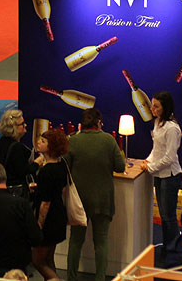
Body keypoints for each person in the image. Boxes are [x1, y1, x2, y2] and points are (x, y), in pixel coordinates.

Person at [65, 108, 126, 281]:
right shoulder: (108, 140)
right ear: (99, 123)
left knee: (75, 241)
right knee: (101, 242)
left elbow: (65, 166)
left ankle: (71, 277)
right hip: (103, 200)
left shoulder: (73, 141)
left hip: (79, 200)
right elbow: (120, 167)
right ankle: (100, 278)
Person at [140, 92, 182, 250]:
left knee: (168, 216)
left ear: (165, 107)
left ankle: (173, 248)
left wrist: (150, 167)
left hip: (170, 176)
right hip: (159, 175)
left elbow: (169, 157)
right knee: (164, 215)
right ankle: (168, 246)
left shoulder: (172, 128)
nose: (152, 109)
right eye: (152, 105)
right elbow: (156, 149)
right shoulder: (158, 122)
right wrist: (148, 160)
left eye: (156, 106)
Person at [32, 128, 69, 281]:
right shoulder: (62, 166)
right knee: (48, 259)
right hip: (59, 215)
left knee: (37, 261)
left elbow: (45, 203)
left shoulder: (46, 171)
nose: (39, 143)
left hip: (49, 220)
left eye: (43, 141)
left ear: (51, 146)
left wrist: (39, 224)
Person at [0, 109, 32, 193]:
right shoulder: (17, 147)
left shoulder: (2, 141)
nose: (25, 125)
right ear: (14, 128)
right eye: (22, 123)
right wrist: (36, 164)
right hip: (16, 191)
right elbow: (23, 171)